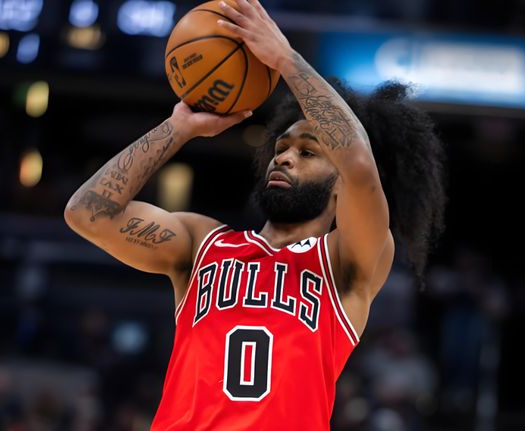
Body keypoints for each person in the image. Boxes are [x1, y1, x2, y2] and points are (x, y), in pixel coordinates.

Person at [64, 0, 446, 429]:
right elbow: (86, 213)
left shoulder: (345, 262)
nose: (284, 158)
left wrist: (285, 59)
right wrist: (179, 127)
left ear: (340, 185)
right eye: (281, 148)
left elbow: (358, 163)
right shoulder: (203, 244)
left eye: (308, 152)